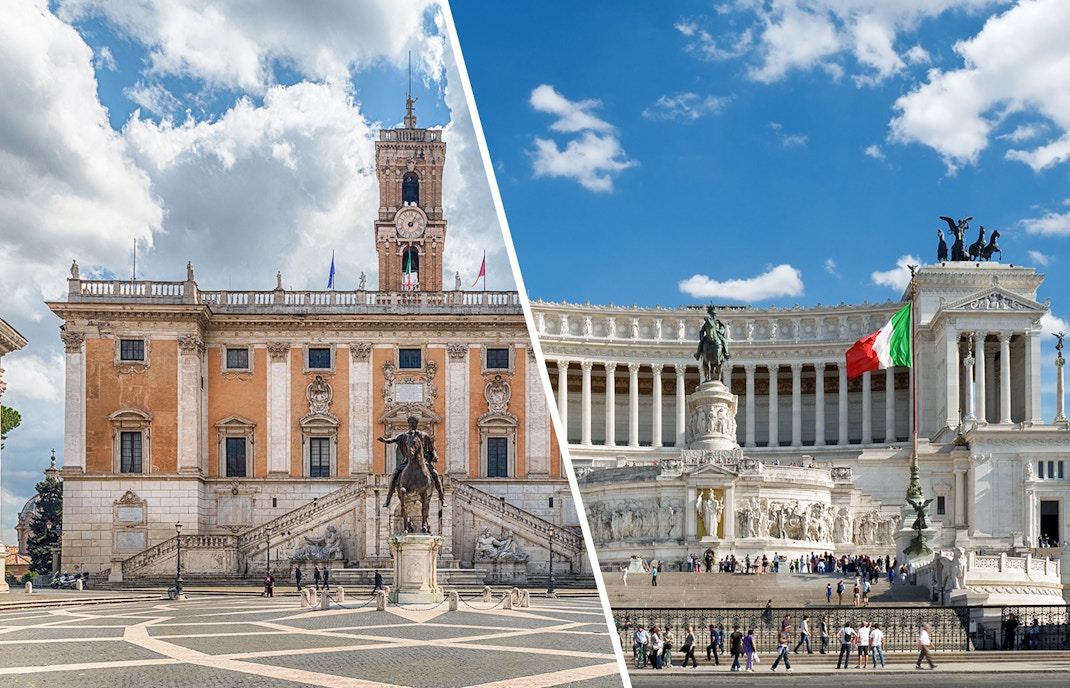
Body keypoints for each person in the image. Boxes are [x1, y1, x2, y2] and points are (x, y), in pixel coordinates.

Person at [379, 414, 446, 507]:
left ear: (416, 424)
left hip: (424, 462)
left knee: (435, 473)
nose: (412, 424)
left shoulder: (424, 435)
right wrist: (385, 440)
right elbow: (394, 439)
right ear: (408, 424)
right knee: (394, 474)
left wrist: (435, 456)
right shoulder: (404, 436)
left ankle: (442, 498)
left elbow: (432, 449)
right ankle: (388, 498)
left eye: (414, 423)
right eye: (410, 423)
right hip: (407, 461)